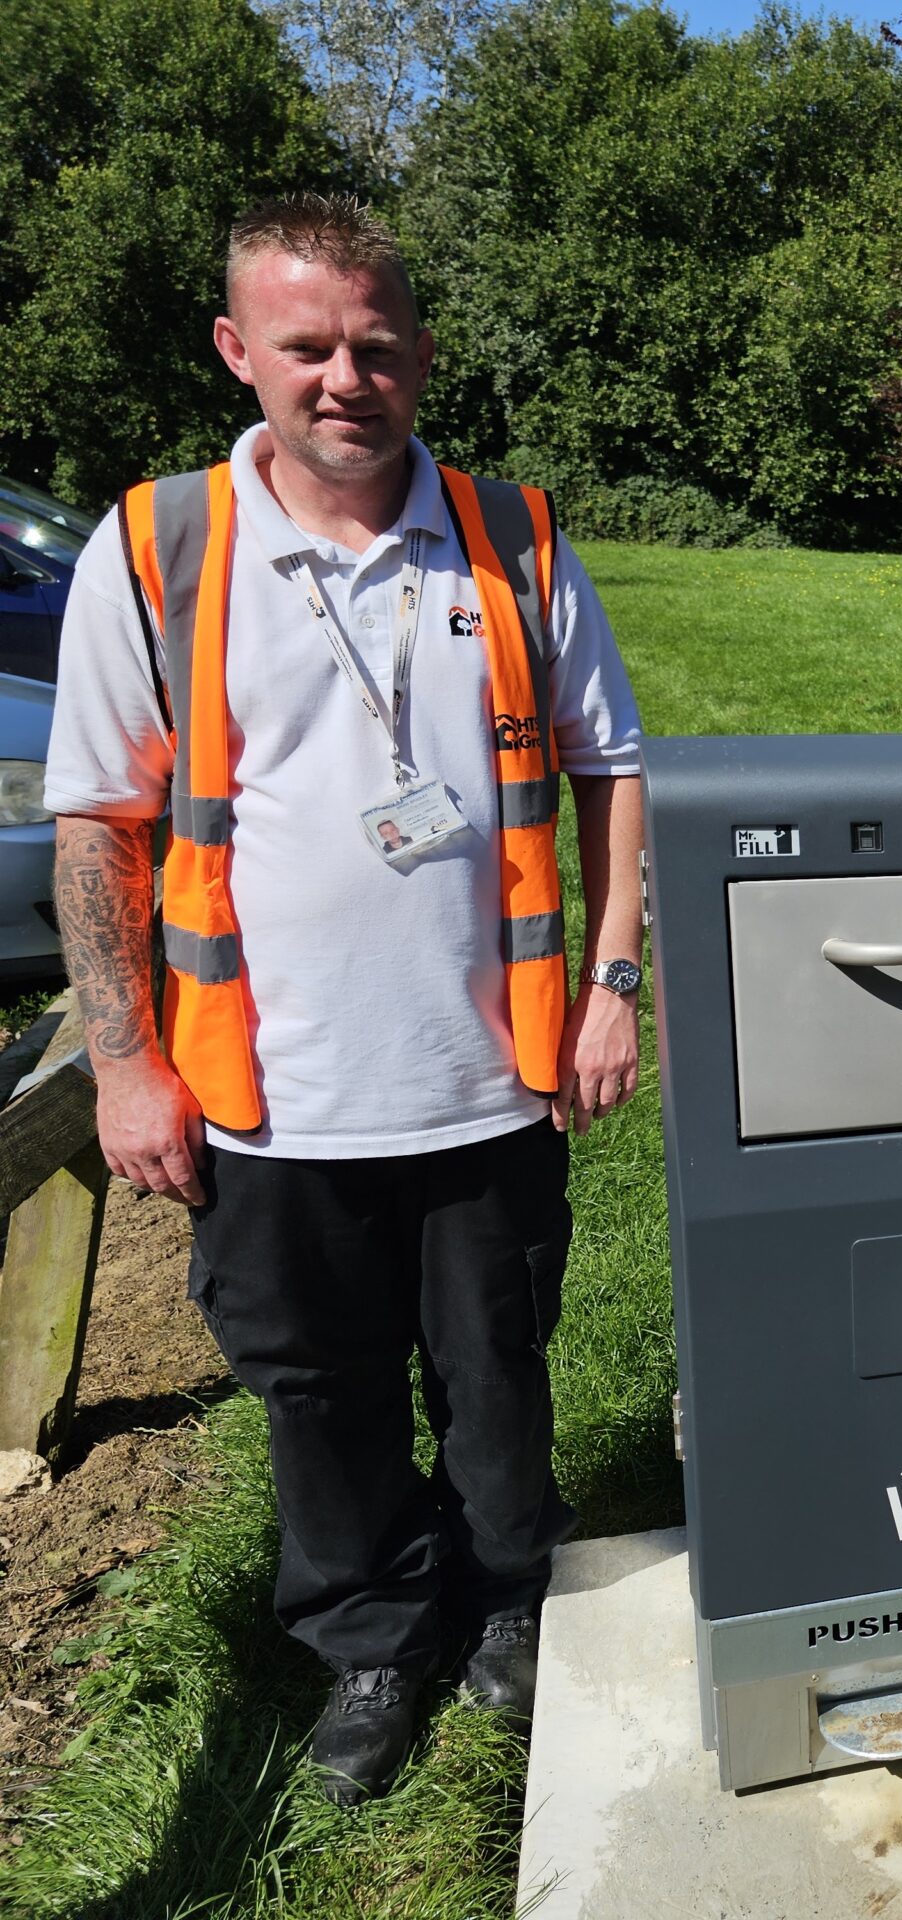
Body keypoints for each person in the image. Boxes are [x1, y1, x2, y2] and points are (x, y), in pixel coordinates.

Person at [44, 194, 648, 1804]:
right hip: (269, 1093)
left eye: (375, 347)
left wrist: (611, 984)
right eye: (305, 346)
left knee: (498, 1365)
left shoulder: (510, 535)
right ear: (240, 349)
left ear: (420, 355)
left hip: (490, 1076)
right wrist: (121, 1063)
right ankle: (373, 1638)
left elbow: (615, 768)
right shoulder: (162, 545)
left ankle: (514, 1597)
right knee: (316, 1393)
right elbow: (99, 823)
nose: (343, 379)